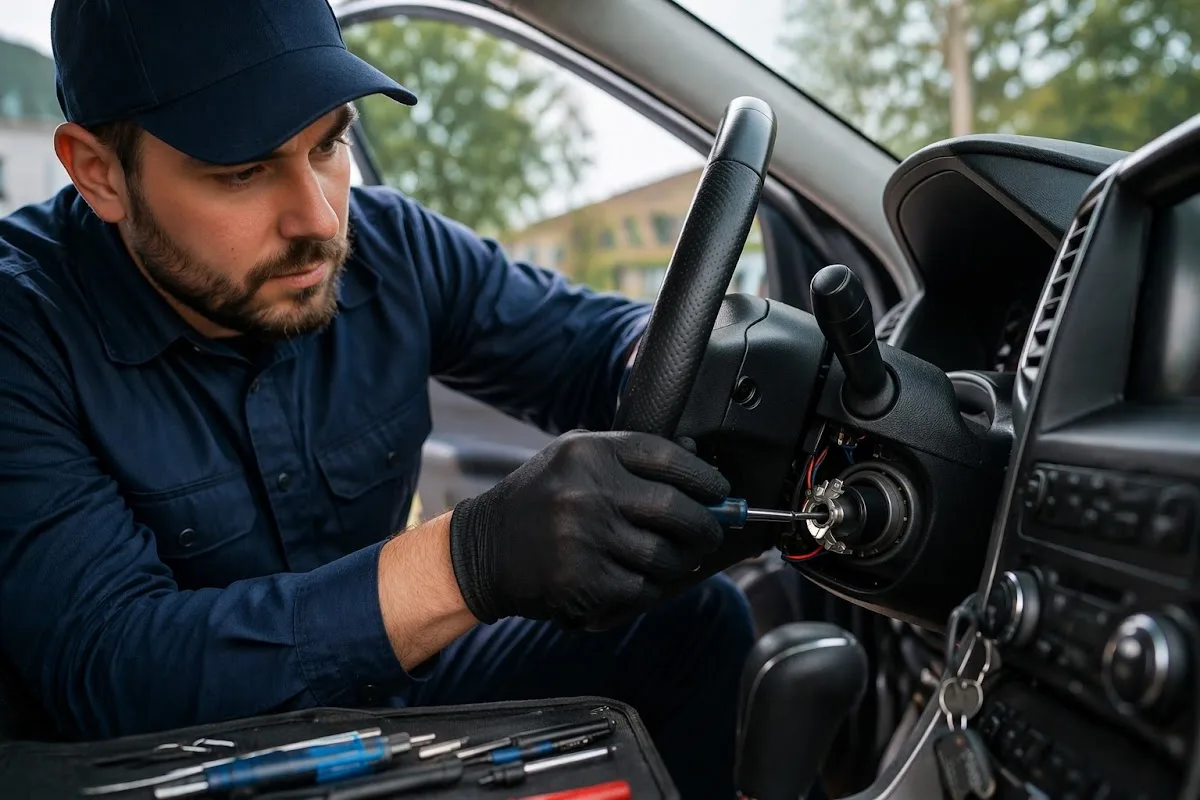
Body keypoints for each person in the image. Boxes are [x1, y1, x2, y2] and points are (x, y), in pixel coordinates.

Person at [0, 1, 769, 796]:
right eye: (242, 170)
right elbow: (115, 670)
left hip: (391, 709)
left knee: (694, 622)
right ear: (99, 172)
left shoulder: (393, 247)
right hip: (177, 766)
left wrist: (712, 373)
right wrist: (469, 558)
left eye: (328, 143)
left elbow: (594, 345)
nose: (320, 217)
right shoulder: (21, 331)